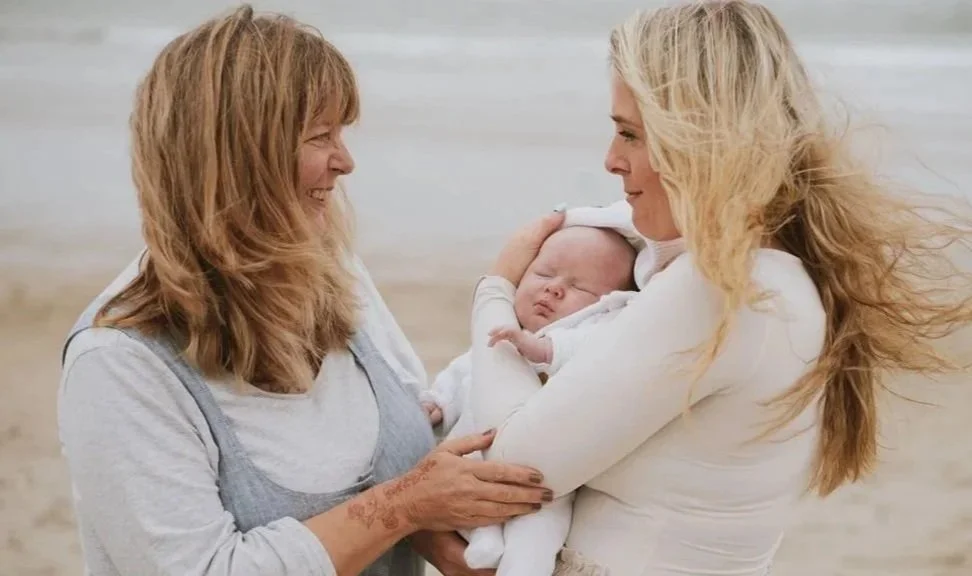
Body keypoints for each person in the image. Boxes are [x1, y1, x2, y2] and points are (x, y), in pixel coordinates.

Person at [470, 1, 972, 575]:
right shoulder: (784, 277)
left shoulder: (722, 291)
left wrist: (496, 288)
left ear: (699, 140)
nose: (611, 160)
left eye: (630, 134)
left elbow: (512, 465)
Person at [56, 6, 553, 576]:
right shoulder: (117, 362)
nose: (345, 162)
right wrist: (403, 508)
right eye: (321, 136)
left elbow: (418, 435)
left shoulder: (329, 269)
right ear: (241, 159)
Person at [423, 217, 681, 575]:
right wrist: (438, 401)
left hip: (545, 479)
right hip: (481, 454)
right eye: (544, 274)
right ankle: (484, 536)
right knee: (471, 486)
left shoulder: (594, 332)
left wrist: (542, 348)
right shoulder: (501, 333)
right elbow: (462, 372)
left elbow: (588, 346)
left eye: (580, 287)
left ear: (607, 305)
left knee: (542, 522)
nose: (554, 289)